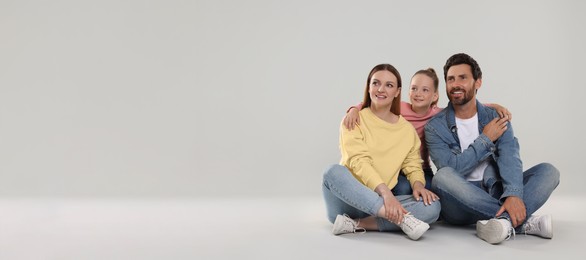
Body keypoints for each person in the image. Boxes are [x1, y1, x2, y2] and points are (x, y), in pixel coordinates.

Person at [424, 53, 560, 244]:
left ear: (478, 82)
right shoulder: (434, 126)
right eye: (450, 79)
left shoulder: (495, 116)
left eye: (463, 78)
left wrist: (512, 193)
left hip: (495, 189)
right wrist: (485, 139)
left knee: (549, 171)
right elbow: (451, 168)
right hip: (458, 203)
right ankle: (519, 221)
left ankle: (501, 223)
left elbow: (510, 155)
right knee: (442, 176)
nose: (455, 84)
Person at [343, 68, 512, 195]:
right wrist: (354, 110)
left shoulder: (439, 115)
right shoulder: (399, 109)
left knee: (436, 195)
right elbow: (373, 102)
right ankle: (386, 204)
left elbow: (467, 106)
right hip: (396, 166)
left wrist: (494, 106)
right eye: (414, 88)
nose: (418, 94)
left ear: (435, 96)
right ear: (405, 91)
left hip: (422, 168)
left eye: (425, 90)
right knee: (401, 187)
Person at [322, 63, 441, 241]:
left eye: (389, 85)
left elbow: (413, 164)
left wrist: (418, 185)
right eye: (376, 83)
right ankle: (403, 219)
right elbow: (358, 161)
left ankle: (356, 224)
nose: (381, 89)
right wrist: (386, 194)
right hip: (347, 200)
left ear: (397, 92)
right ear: (368, 87)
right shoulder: (354, 120)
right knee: (332, 172)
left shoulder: (406, 130)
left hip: (379, 203)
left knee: (433, 207)